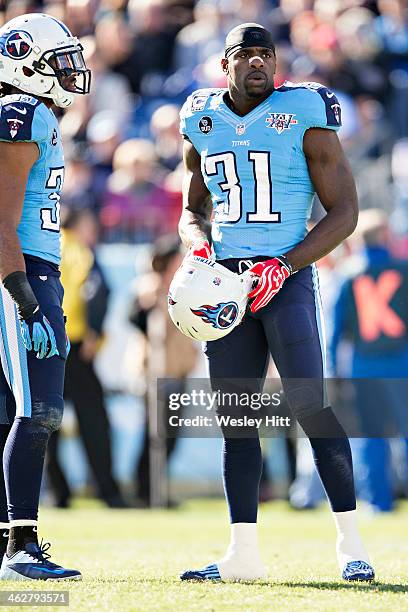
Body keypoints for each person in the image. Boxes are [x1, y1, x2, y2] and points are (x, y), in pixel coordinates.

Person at [177, 23, 375, 582]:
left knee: (311, 405)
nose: (259, 63)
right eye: (247, 55)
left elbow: (344, 212)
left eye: (268, 54)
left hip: (284, 278)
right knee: (236, 420)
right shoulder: (201, 117)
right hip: (227, 287)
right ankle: (242, 555)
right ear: (226, 64)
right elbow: (193, 210)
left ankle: (351, 547)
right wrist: (200, 254)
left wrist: (284, 265)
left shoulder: (306, 109)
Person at [0, 13, 90, 580]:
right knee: (38, 410)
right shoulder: (21, 113)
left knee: (16, 410)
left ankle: (12, 544)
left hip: (31, 267)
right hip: (24, 271)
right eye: (60, 61)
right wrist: (23, 295)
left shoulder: (38, 116)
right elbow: (1, 218)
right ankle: (20, 549)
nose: (71, 73)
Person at [46, 209, 126, 509]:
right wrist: (94, 330)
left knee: (45, 423)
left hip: (46, 348)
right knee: (95, 423)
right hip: (77, 346)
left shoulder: (48, 248)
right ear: (80, 224)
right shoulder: (80, 250)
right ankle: (107, 491)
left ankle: (59, 493)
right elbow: (97, 290)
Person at [331, 209, 408, 512]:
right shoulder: (403, 269)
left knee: (372, 437)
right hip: (401, 361)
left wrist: (334, 370)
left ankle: (379, 502)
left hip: (363, 365)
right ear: (386, 235)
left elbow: (337, 330)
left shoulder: (347, 274)